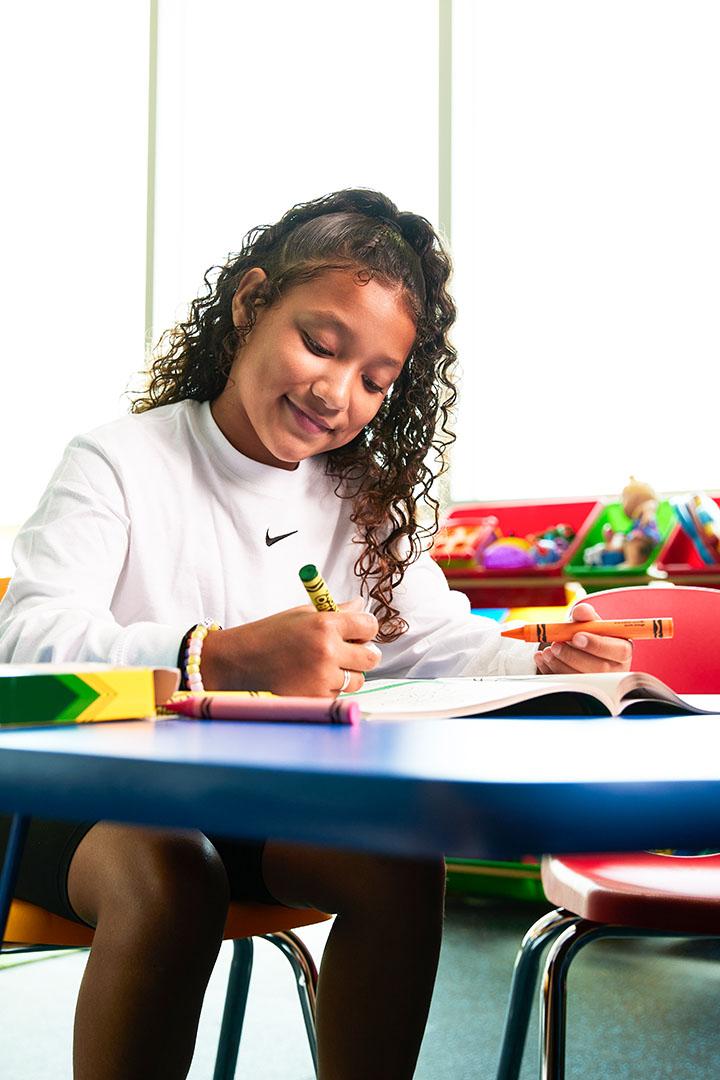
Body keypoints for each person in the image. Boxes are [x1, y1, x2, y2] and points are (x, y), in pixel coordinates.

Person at [0, 188, 631, 1079]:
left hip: (244, 809)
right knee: (171, 870)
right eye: (320, 345)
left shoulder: (353, 499)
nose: (337, 393)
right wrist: (215, 655)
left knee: (397, 861)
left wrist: (545, 658)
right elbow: (25, 637)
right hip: (71, 808)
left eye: (376, 380)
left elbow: (436, 644)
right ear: (250, 303)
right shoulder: (118, 461)